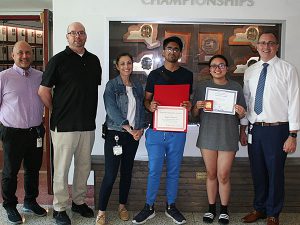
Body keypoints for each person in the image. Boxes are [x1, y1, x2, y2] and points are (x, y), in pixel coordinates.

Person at [38, 22, 102, 225]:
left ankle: (79, 201)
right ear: (67, 37)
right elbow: (43, 91)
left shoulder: (93, 60)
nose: (77, 36)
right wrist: (56, 110)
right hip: (64, 125)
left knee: (83, 166)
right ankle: (59, 207)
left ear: (86, 36)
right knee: (62, 168)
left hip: (87, 124)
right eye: (73, 33)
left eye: (81, 33)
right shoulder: (58, 60)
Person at [240, 32, 300, 225]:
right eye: (263, 43)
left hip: (277, 130)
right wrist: (243, 128)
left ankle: (273, 213)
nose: (266, 47)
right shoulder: (250, 71)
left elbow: (295, 103)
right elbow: (247, 101)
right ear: (256, 46)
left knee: (275, 172)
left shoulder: (288, 69)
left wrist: (293, 135)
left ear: (277, 46)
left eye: (271, 44)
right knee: (257, 171)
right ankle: (259, 209)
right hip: (255, 129)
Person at [132, 36, 193, 225]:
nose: (172, 52)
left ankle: (171, 206)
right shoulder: (154, 75)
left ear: (180, 53)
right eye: (169, 49)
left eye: (176, 49)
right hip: (156, 131)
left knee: (174, 170)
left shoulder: (187, 75)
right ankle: (149, 207)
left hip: (177, 132)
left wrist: (189, 105)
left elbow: (188, 100)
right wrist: (150, 106)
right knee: (154, 170)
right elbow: (146, 100)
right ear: (163, 52)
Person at [192, 55, 246, 224]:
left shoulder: (236, 87)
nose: (217, 68)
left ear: (227, 68)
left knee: (223, 175)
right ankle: (210, 209)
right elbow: (194, 115)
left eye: (221, 65)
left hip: (228, 135)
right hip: (208, 135)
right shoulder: (202, 87)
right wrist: (197, 107)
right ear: (209, 69)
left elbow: (243, 114)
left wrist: (241, 112)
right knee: (211, 173)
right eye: (214, 66)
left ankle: (223, 210)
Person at [95, 53, 145, 225]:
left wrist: (140, 130)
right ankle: (101, 212)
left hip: (133, 137)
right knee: (110, 174)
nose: (126, 66)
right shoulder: (111, 85)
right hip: (115, 134)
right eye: (122, 63)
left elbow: (142, 111)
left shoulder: (138, 86)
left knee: (126, 173)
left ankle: (122, 206)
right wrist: (129, 129)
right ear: (117, 66)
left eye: (129, 63)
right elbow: (111, 110)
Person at [0, 41, 46, 224]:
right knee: (10, 171)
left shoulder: (40, 76)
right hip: (12, 132)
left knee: (33, 170)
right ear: (13, 55)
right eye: (20, 53)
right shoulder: (3, 77)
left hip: (35, 132)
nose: (25, 56)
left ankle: (30, 201)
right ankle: (10, 205)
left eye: (28, 53)